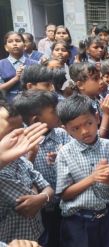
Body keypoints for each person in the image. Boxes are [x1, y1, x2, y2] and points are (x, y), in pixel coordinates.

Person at [55, 94, 109, 247]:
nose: (84, 131)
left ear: (97, 118)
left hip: (106, 218)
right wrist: (93, 178)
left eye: (88, 123)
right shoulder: (65, 153)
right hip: (78, 222)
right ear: (67, 130)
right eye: (76, 128)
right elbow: (64, 193)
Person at [12, 90, 71, 247]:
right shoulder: (20, 143)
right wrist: (31, 154)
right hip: (39, 209)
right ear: (36, 120)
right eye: (53, 111)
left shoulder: (61, 134)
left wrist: (62, 157)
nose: (58, 113)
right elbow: (23, 177)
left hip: (64, 201)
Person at [0, 97, 54, 244]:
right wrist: (40, 193)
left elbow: (48, 188)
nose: (20, 136)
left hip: (40, 234)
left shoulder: (21, 159)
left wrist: (41, 197)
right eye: (11, 132)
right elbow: (28, 207)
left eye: (21, 129)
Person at [69, 62, 109, 139]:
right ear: (80, 85)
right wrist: (107, 115)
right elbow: (97, 138)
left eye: (101, 78)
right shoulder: (79, 107)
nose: (101, 82)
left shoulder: (97, 99)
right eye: (95, 78)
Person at [0, 31, 38, 102]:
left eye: (18, 41)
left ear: (24, 46)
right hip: (8, 104)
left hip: (31, 103)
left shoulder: (35, 64)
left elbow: (40, 85)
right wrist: (16, 78)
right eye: (10, 41)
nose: (14, 44)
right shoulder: (1, 64)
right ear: (6, 47)